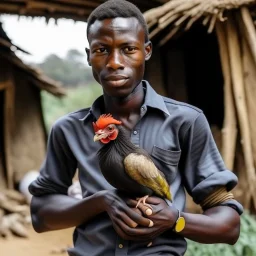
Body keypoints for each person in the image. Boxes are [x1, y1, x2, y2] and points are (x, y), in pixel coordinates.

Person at [29, 1, 243, 255]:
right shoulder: (68, 130)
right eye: (101, 50)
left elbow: (229, 226)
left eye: (129, 48)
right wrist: (101, 202)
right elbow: (41, 216)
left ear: (147, 50)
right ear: (89, 56)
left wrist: (176, 220)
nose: (115, 62)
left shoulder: (186, 121)